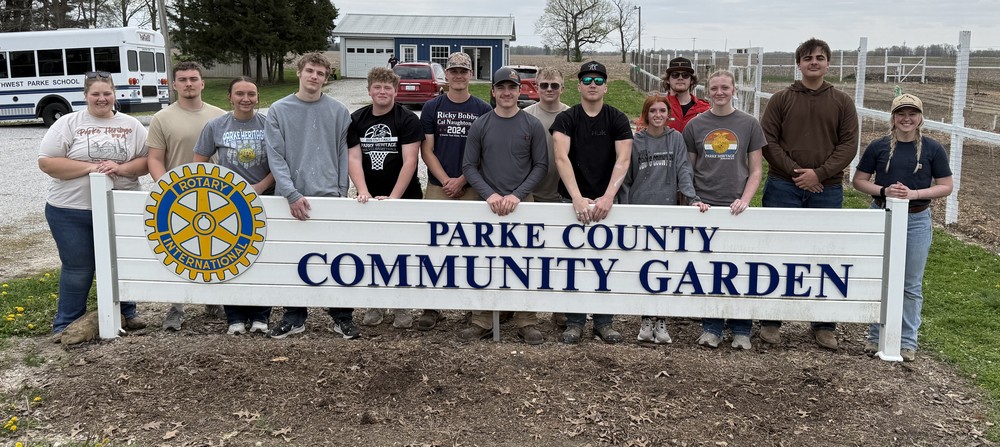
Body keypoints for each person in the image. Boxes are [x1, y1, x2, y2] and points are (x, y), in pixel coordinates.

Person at [759, 37, 859, 350]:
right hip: (783, 187)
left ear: (828, 63)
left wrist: (820, 174)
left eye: (819, 57)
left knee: (825, 255)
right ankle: (771, 319)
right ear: (799, 64)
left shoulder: (842, 101)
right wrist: (798, 174)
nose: (813, 62)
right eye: (807, 58)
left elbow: (848, 145)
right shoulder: (781, 99)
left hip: (826, 190)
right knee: (777, 252)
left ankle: (824, 324)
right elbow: (769, 141)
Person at [38, 71, 149, 335]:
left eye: (107, 93)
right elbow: (48, 162)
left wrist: (119, 168)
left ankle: (126, 312)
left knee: (120, 261)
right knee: (78, 267)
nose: (102, 99)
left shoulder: (132, 125)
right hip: (70, 210)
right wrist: (92, 168)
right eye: (95, 94)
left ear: (115, 94)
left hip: (118, 207)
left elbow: (146, 162)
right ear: (85, 96)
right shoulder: (69, 122)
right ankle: (66, 323)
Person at [264, 52, 359, 340]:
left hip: (330, 196)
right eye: (310, 71)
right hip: (292, 198)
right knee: (293, 259)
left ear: (326, 78)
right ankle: (294, 316)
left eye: (320, 73)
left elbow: (344, 154)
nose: (314, 77)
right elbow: (275, 156)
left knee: (337, 259)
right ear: (299, 73)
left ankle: (341, 316)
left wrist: (341, 193)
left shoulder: (339, 111)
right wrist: (291, 194)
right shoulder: (279, 110)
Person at [853, 94, 953, 362]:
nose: (906, 118)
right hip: (882, 216)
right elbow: (859, 181)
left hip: (916, 219)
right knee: (881, 277)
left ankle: (907, 341)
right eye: (901, 113)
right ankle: (875, 336)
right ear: (893, 117)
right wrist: (885, 190)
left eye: (912, 113)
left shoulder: (933, 149)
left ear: (920, 118)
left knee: (910, 283)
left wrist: (915, 194)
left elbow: (946, 185)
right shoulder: (879, 147)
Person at [458, 67, 549, 345]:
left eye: (512, 87)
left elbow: (541, 166)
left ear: (520, 90)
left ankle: (527, 321)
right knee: (484, 262)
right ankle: (482, 320)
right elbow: (469, 166)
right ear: (493, 91)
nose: (507, 93)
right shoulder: (481, 124)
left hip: (523, 204)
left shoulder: (531, 125)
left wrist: (517, 195)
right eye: (501, 88)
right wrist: (489, 195)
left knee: (524, 263)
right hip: (487, 205)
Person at [551, 60, 633, 344]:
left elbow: (623, 159)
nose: (593, 85)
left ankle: (603, 322)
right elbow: (561, 157)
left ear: (606, 87)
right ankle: (574, 322)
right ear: (579, 86)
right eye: (587, 80)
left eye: (598, 81)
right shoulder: (566, 119)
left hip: (606, 203)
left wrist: (608, 197)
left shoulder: (617, 119)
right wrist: (576, 198)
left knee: (604, 263)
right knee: (573, 263)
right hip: (571, 200)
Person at [683, 70, 765, 350]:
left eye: (725, 88)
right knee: (710, 268)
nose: (720, 92)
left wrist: (745, 199)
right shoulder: (695, 125)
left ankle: (742, 329)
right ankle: (712, 327)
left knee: (741, 268)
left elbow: (755, 170)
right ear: (707, 91)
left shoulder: (749, 124)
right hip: (706, 204)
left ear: (734, 90)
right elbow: (689, 169)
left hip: (736, 206)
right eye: (715, 88)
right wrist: (694, 199)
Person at [619, 94, 707, 345]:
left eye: (662, 111)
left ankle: (662, 321)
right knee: (644, 268)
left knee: (665, 267)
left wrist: (692, 198)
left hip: (667, 210)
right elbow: (626, 178)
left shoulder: (675, 138)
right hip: (640, 210)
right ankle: (645, 320)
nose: (657, 115)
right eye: (652, 111)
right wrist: (625, 209)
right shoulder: (635, 142)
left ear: (668, 114)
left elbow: (683, 169)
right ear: (645, 115)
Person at [146, 60, 227, 330]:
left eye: (193, 78)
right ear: (174, 84)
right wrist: (166, 188)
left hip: (216, 196)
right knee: (180, 252)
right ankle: (177, 307)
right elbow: (155, 159)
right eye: (183, 80)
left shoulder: (219, 115)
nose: (189, 84)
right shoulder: (162, 118)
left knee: (216, 250)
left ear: (202, 83)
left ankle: (214, 299)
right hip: (177, 198)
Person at [416, 52, 492, 331]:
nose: (459, 76)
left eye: (464, 71)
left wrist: (462, 179)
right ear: (446, 75)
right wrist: (446, 179)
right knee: (434, 247)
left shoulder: (483, 109)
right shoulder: (432, 107)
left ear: (470, 74)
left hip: (472, 187)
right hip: (438, 186)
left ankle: (474, 311)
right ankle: (431, 308)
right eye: (454, 71)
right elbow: (427, 149)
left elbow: (486, 152)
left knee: (473, 249)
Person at [192, 76, 274, 335]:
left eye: (251, 94)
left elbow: (280, 164)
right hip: (227, 204)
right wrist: (221, 189)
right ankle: (235, 316)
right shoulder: (215, 125)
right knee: (230, 257)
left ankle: (261, 315)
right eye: (240, 94)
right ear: (230, 97)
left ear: (257, 97)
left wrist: (259, 187)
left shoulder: (269, 124)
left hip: (265, 198)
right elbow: (200, 163)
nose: (246, 99)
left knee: (262, 258)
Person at [347, 67, 424, 329]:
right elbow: (354, 157)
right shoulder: (356, 119)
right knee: (374, 252)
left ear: (395, 90)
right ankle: (376, 302)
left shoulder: (408, 119)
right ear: (369, 90)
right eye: (377, 87)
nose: (382, 92)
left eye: (387, 88)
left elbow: (410, 161)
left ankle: (402, 305)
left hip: (404, 196)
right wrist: (362, 190)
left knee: (403, 253)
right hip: (369, 198)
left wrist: (394, 199)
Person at [524, 67, 572, 329]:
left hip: (562, 196)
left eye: (555, 85)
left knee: (561, 257)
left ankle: (560, 309)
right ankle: (524, 311)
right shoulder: (526, 116)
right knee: (529, 257)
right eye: (544, 85)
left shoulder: (571, 115)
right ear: (536, 87)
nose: (550, 90)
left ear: (562, 87)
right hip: (532, 195)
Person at [663, 57, 710, 132]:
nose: (680, 78)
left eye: (685, 75)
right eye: (675, 75)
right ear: (668, 80)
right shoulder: (657, 107)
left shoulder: (705, 110)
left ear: (691, 80)